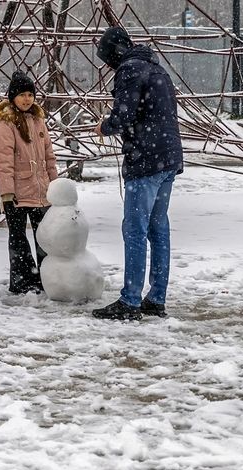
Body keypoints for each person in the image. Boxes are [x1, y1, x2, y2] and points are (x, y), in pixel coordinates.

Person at [91, 26, 183, 321]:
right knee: (158, 229)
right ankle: (156, 298)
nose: (109, 65)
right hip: (168, 158)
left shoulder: (130, 69)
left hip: (145, 159)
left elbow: (124, 115)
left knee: (135, 230)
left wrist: (105, 126)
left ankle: (130, 301)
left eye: (107, 58)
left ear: (114, 53)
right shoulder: (157, 68)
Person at [0, 71, 58, 294]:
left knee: (45, 238)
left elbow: (49, 156)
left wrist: (55, 186)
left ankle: (46, 278)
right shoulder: (6, 123)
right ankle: (22, 281)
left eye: (30, 94)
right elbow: (3, 161)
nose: (27, 99)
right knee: (18, 239)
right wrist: (7, 194)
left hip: (42, 191)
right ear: (13, 97)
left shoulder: (39, 121)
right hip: (18, 193)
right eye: (22, 95)